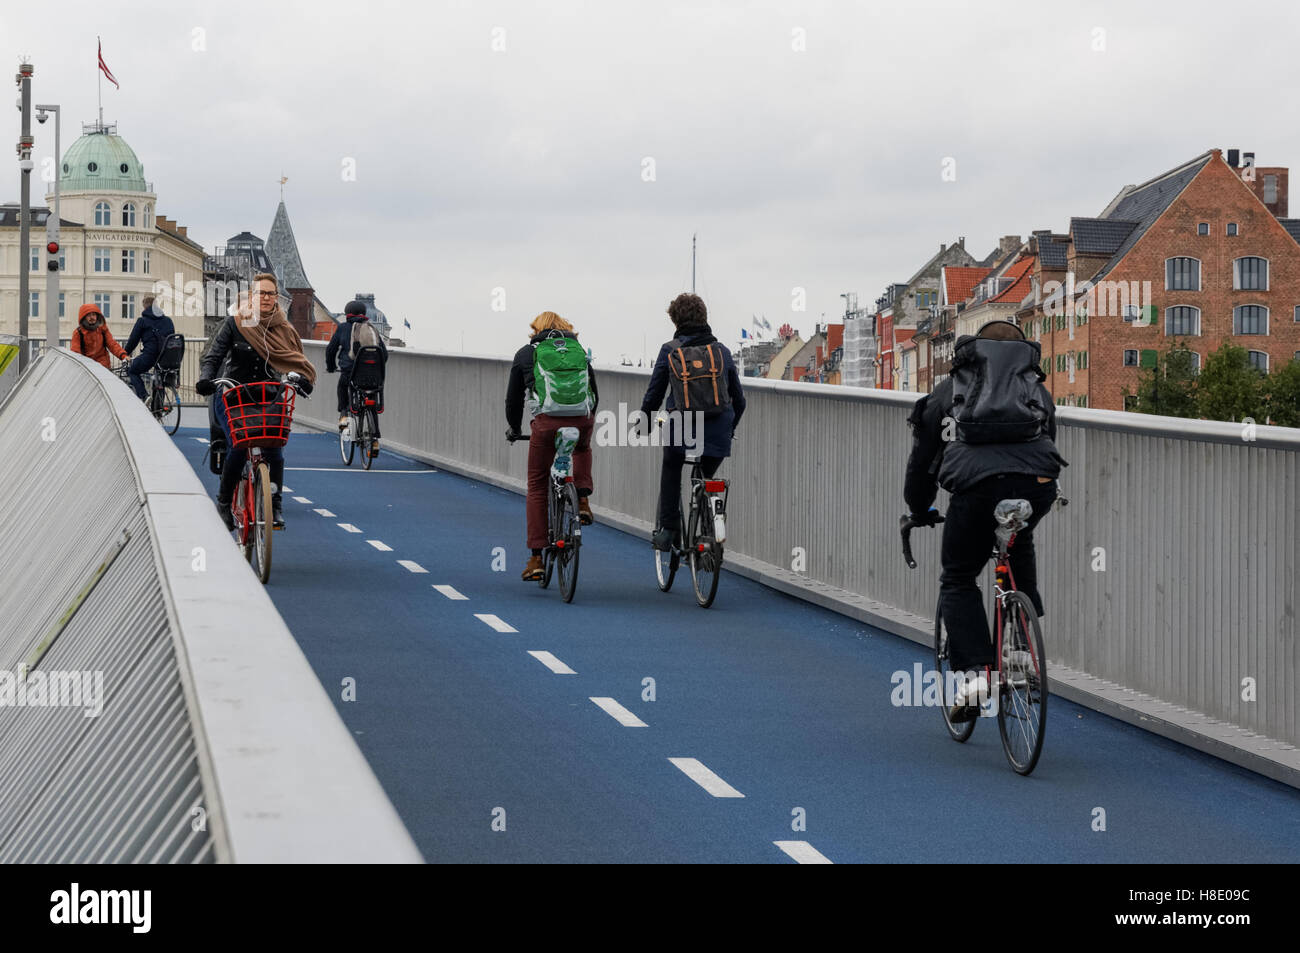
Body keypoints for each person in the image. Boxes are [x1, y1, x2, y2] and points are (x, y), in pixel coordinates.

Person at [903, 319, 1067, 722]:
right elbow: (1049, 439)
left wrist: (920, 507)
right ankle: (1023, 651)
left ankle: (977, 674)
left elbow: (923, 462)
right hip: (1037, 484)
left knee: (958, 576)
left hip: (976, 489)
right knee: (1017, 539)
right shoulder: (1035, 389)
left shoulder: (948, 394)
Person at [195, 273, 316, 532]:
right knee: (239, 446)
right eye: (261, 293)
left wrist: (304, 379)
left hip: (268, 395)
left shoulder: (285, 329)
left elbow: (297, 361)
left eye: (271, 294)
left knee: (275, 450)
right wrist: (206, 379)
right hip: (234, 395)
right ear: (252, 296)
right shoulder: (235, 323)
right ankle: (225, 502)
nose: (266, 297)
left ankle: (276, 502)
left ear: (277, 299)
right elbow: (213, 357)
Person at [639, 292, 745, 550]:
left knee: (672, 466)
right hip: (719, 427)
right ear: (705, 317)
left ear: (675, 321)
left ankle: (669, 530)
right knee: (706, 473)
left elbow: (654, 395)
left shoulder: (670, 351)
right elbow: (739, 400)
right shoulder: (722, 352)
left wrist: (644, 423)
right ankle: (709, 529)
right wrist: (730, 428)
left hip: (682, 428)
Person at [505, 311, 598, 581]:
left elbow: (513, 401)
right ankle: (582, 499)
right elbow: (594, 393)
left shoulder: (526, 353)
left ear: (536, 329)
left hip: (546, 424)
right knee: (581, 448)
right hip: (581, 419)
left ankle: (535, 558)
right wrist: (586, 423)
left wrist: (515, 428)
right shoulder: (577, 350)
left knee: (537, 483)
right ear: (567, 328)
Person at [325, 299, 388, 438]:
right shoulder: (372, 328)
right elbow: (384, 354)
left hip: (350, 372)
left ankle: (343, 415)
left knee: (342, 386)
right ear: (364, 313)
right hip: (372, 374)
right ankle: (375, 437)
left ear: (347, 313)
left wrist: (331, 367)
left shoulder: (343, 328)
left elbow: (331, 350)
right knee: (370, 397)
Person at [123, 295, 177, 401]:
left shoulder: (142, 321)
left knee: (133, 371)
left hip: (150, 355)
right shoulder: (168, 321)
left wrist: (124, 353)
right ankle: (158, 406)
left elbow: (133, 340)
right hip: (166, 357)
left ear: (145, 307)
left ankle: (144, 396)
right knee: (159, 375)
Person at [70, 304, 128, 369]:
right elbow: (76, 352)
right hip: (87, 367)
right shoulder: (78, 333)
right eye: (89, 315)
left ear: (97, 316)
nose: (92, 317)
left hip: (103, 366)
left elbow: (112, 344)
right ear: (84, 317)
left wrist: (123, 355)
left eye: (94, 315)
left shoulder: (102, 329)